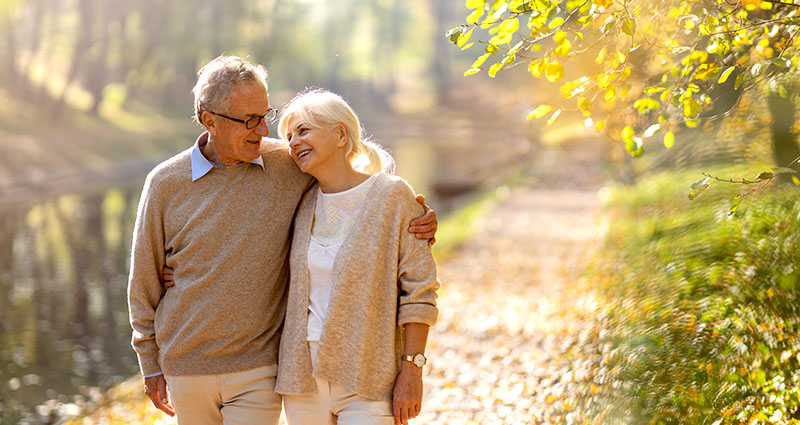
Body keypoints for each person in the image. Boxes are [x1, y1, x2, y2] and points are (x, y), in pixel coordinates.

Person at [127, 55, 437, 425]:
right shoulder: (166, 183)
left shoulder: (286, 165)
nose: (264, 132)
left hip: (261, 366)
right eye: (249, 120)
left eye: (265, 116)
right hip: (188, 364)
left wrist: (418, 219)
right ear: (210, 121)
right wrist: (150, 362)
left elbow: (353, 187)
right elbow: (143, 280)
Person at [274, 89, 439, 425]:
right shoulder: (300, 203)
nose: (293, 143)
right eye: (289, 137)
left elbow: (420, 290)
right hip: (302, 378)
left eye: (303, 131)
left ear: (340, 134)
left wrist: (412, 369)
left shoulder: (392, 196)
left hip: (369, 375)